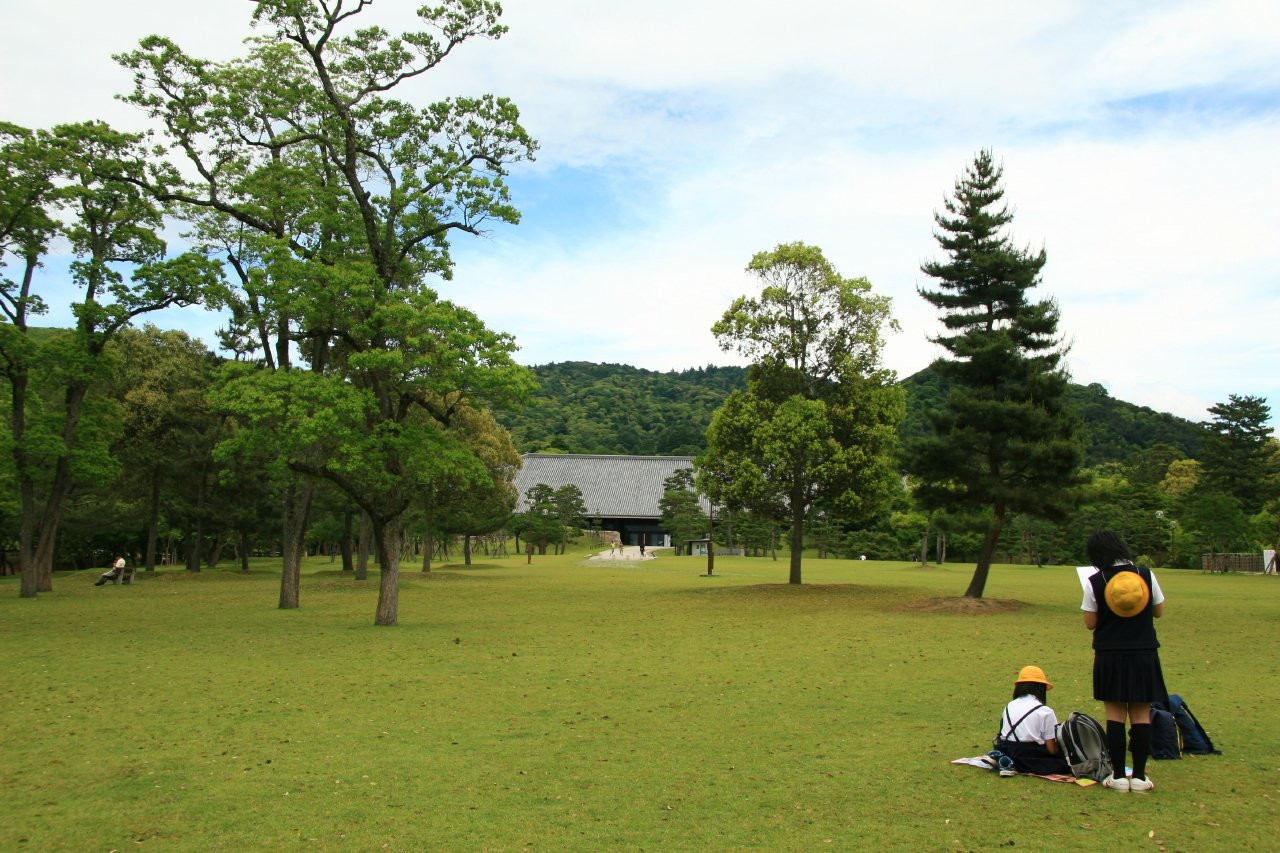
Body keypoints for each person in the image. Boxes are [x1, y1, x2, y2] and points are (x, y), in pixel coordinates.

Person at [1081, 530, 1167, 793]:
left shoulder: (1095, 580)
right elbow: (1159, 611)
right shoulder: (1145, 574)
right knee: (1141, 715)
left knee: (1115, 715)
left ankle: (1118, 776)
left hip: (1110, 654)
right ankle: (1139, 777)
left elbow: (1090, 623)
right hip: (1143, 653)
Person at [987, 665, 1070, 777]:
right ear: (1041, 688)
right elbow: (1051, 749)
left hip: (1007, 748)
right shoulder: (1045, 711)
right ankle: (1011, 762)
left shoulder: (1009, 705)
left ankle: (1003, 759)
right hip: (1030, 755)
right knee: (1063, 765)